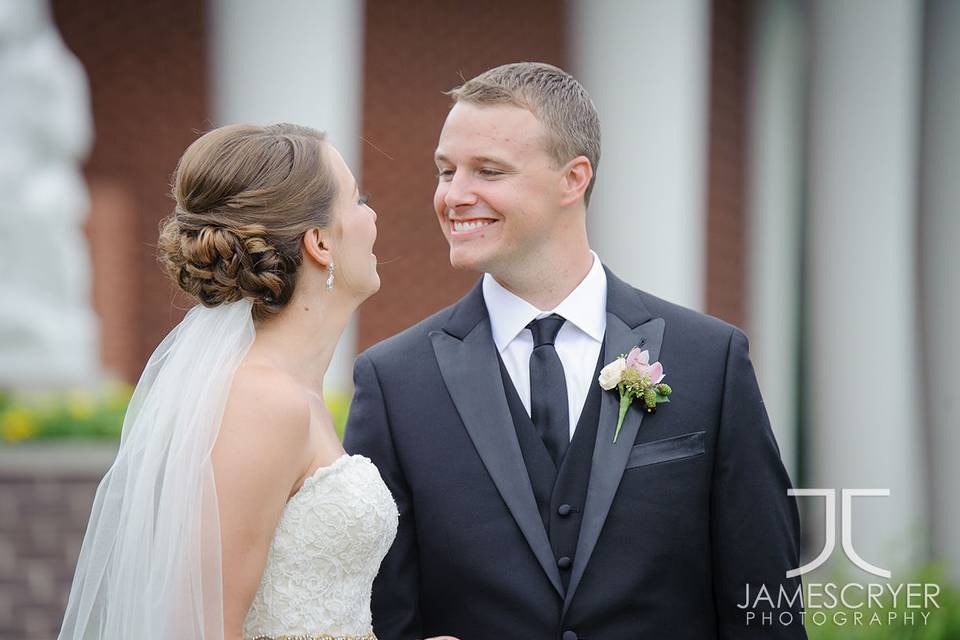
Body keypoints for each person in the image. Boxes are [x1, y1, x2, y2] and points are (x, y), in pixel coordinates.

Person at [344, 62, 807, 639]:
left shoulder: (710, 360)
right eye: (445, 171)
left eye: (487, 170)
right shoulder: (393, 382)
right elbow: (378, 614)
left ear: (574, 178)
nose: (454, 196)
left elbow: (765, 604)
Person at [58, 123, 456, 640]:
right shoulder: (262, 402)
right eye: (359, 201)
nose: (372, 217)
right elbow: (199, 629)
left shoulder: (292, 393)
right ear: (319, 243)